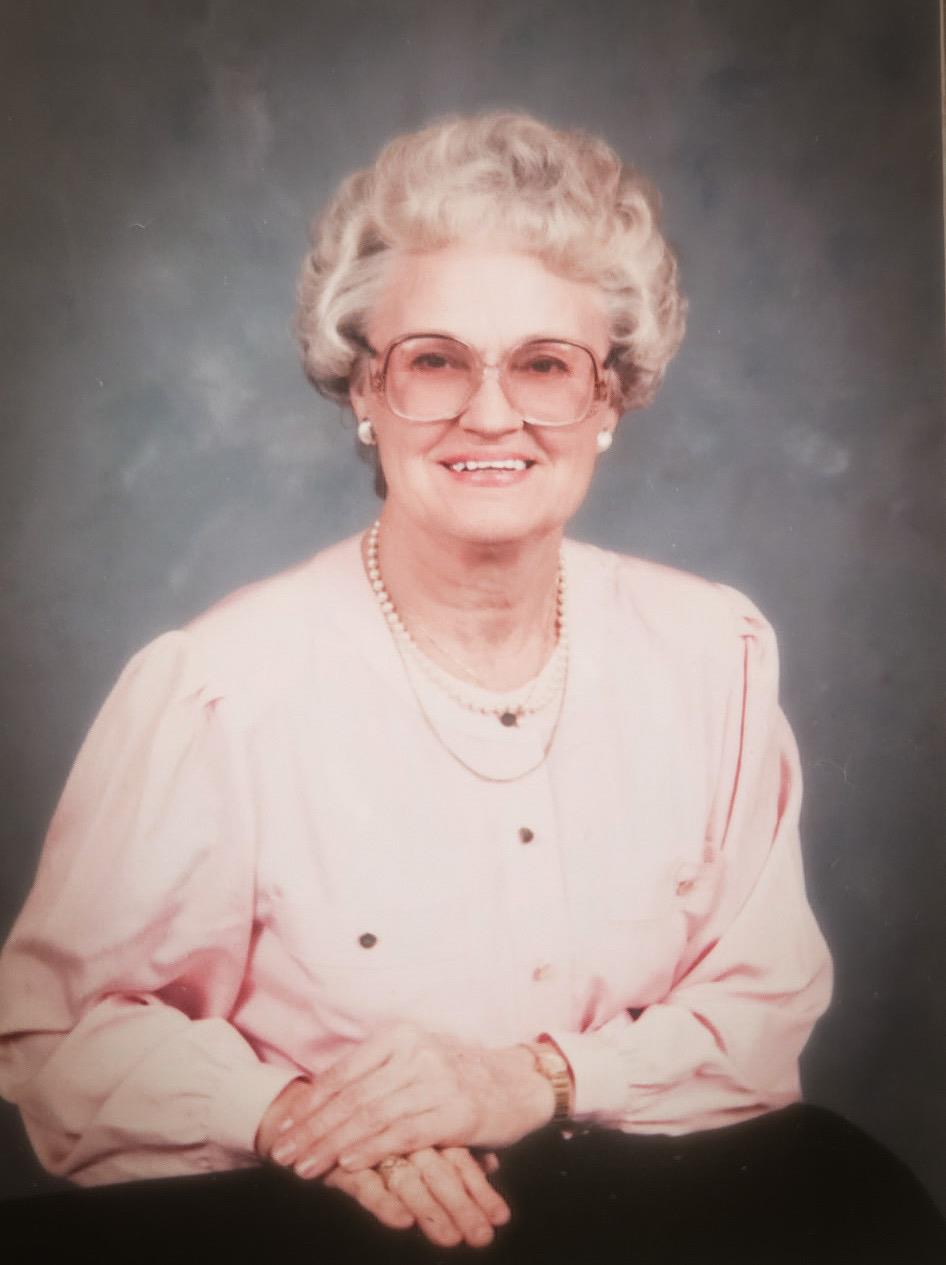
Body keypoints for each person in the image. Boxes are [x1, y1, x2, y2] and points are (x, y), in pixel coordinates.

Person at [1, 112, 942, 1263]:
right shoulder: (220, 689)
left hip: (640, 1218)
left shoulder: (712, 652)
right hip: (331, 1221)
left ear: (610, 403)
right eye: (435, 359)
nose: (489, 412)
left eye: (545, 364)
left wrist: (527, 1079)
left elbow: (755, 1009)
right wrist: (308, 1120)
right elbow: (59, 1033)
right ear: (362, 388)